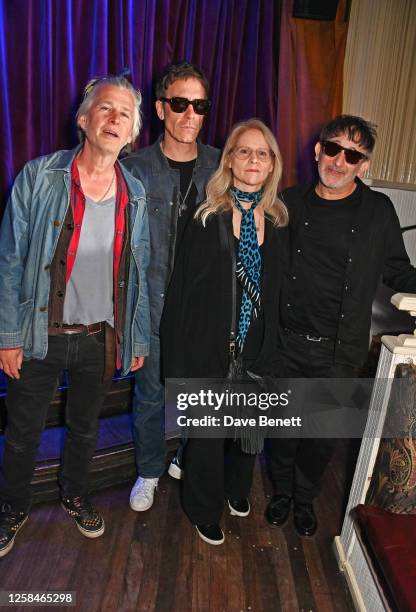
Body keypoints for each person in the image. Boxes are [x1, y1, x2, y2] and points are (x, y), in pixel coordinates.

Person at [0, 75, 150, 558]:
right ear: (84, 119)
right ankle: (12, 508)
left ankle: (75, 494)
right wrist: (7, 335)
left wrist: (137, 339)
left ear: (132, 134)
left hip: (99, 337)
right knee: (23, 433)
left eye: (124, 115)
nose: (113, 119)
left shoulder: (138, 194)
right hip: (40, 332)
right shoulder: (39, 176)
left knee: (85, 428)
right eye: (105, 109)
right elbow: (10, 259)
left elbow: (140, 271)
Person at [266, 114, 416, 537]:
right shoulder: (289, 203)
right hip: (288, 340)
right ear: (317, 150)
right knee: (284, 429)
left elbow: (398, 271)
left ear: (363, 165)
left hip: (340, 347)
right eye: (332, 149)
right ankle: (280, 492)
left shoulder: (377, 211)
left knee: (321, 433)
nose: (339, 161)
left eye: (352, 155)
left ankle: (303, 496)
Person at [161, 118, 288, 545]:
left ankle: (236, 491)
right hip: (206, 349)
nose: (253, 159)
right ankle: (202, 508)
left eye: (262, 153)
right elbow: (180, 293)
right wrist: (176, 362)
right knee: (207, 438)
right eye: (244, 151)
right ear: (229, 160)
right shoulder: (205, 216)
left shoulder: (280, 223)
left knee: (245, 433)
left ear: (272, 166)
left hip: (256, 351)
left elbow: (277, 298)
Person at [122, 62, 220, 512]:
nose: (189, 115)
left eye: (198, 105)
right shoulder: (135, 168)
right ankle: (148, 470)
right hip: (151, 306)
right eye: (179, 104)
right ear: (161, 108)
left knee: (199, 395)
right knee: (150, 394)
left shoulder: (223, 165)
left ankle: (185, 455)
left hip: (204, 309)